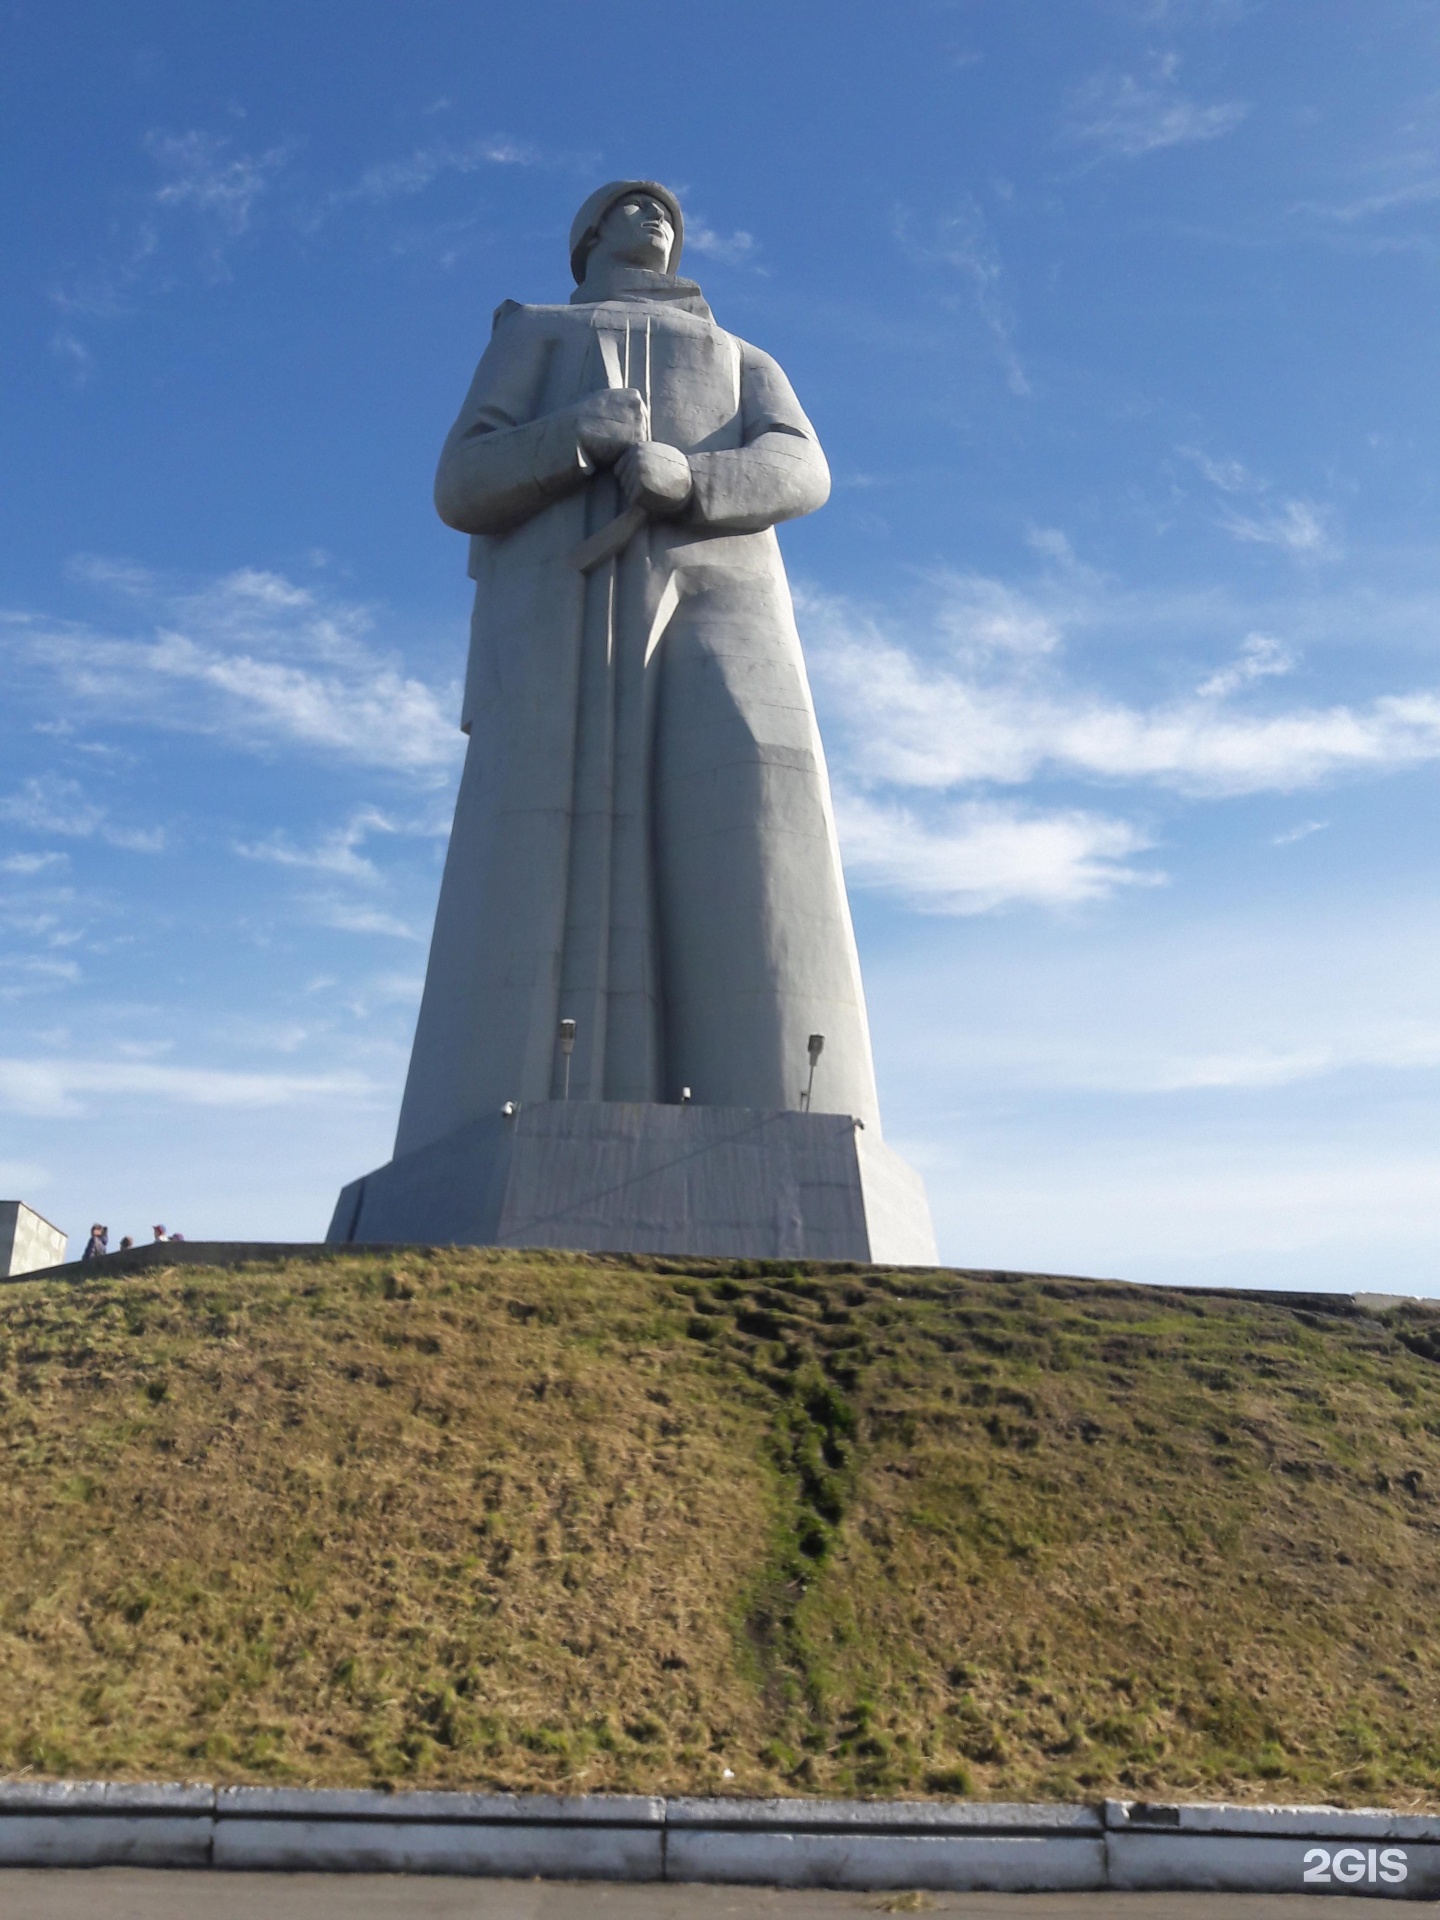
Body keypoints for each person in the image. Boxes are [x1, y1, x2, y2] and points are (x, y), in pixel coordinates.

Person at [395, 180, 881, 1157]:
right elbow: (462, 479)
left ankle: (788, 1118)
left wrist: (693, 478)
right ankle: (499, 1114)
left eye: (666, 209)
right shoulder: (533, 330)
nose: (655, 216)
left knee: (752, 830)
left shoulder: (742, 356)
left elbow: (804, 466)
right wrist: (578, 434)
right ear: (587, 234)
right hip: (562, 615)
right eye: (631, 205)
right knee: (537, 868)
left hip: (726, 599)